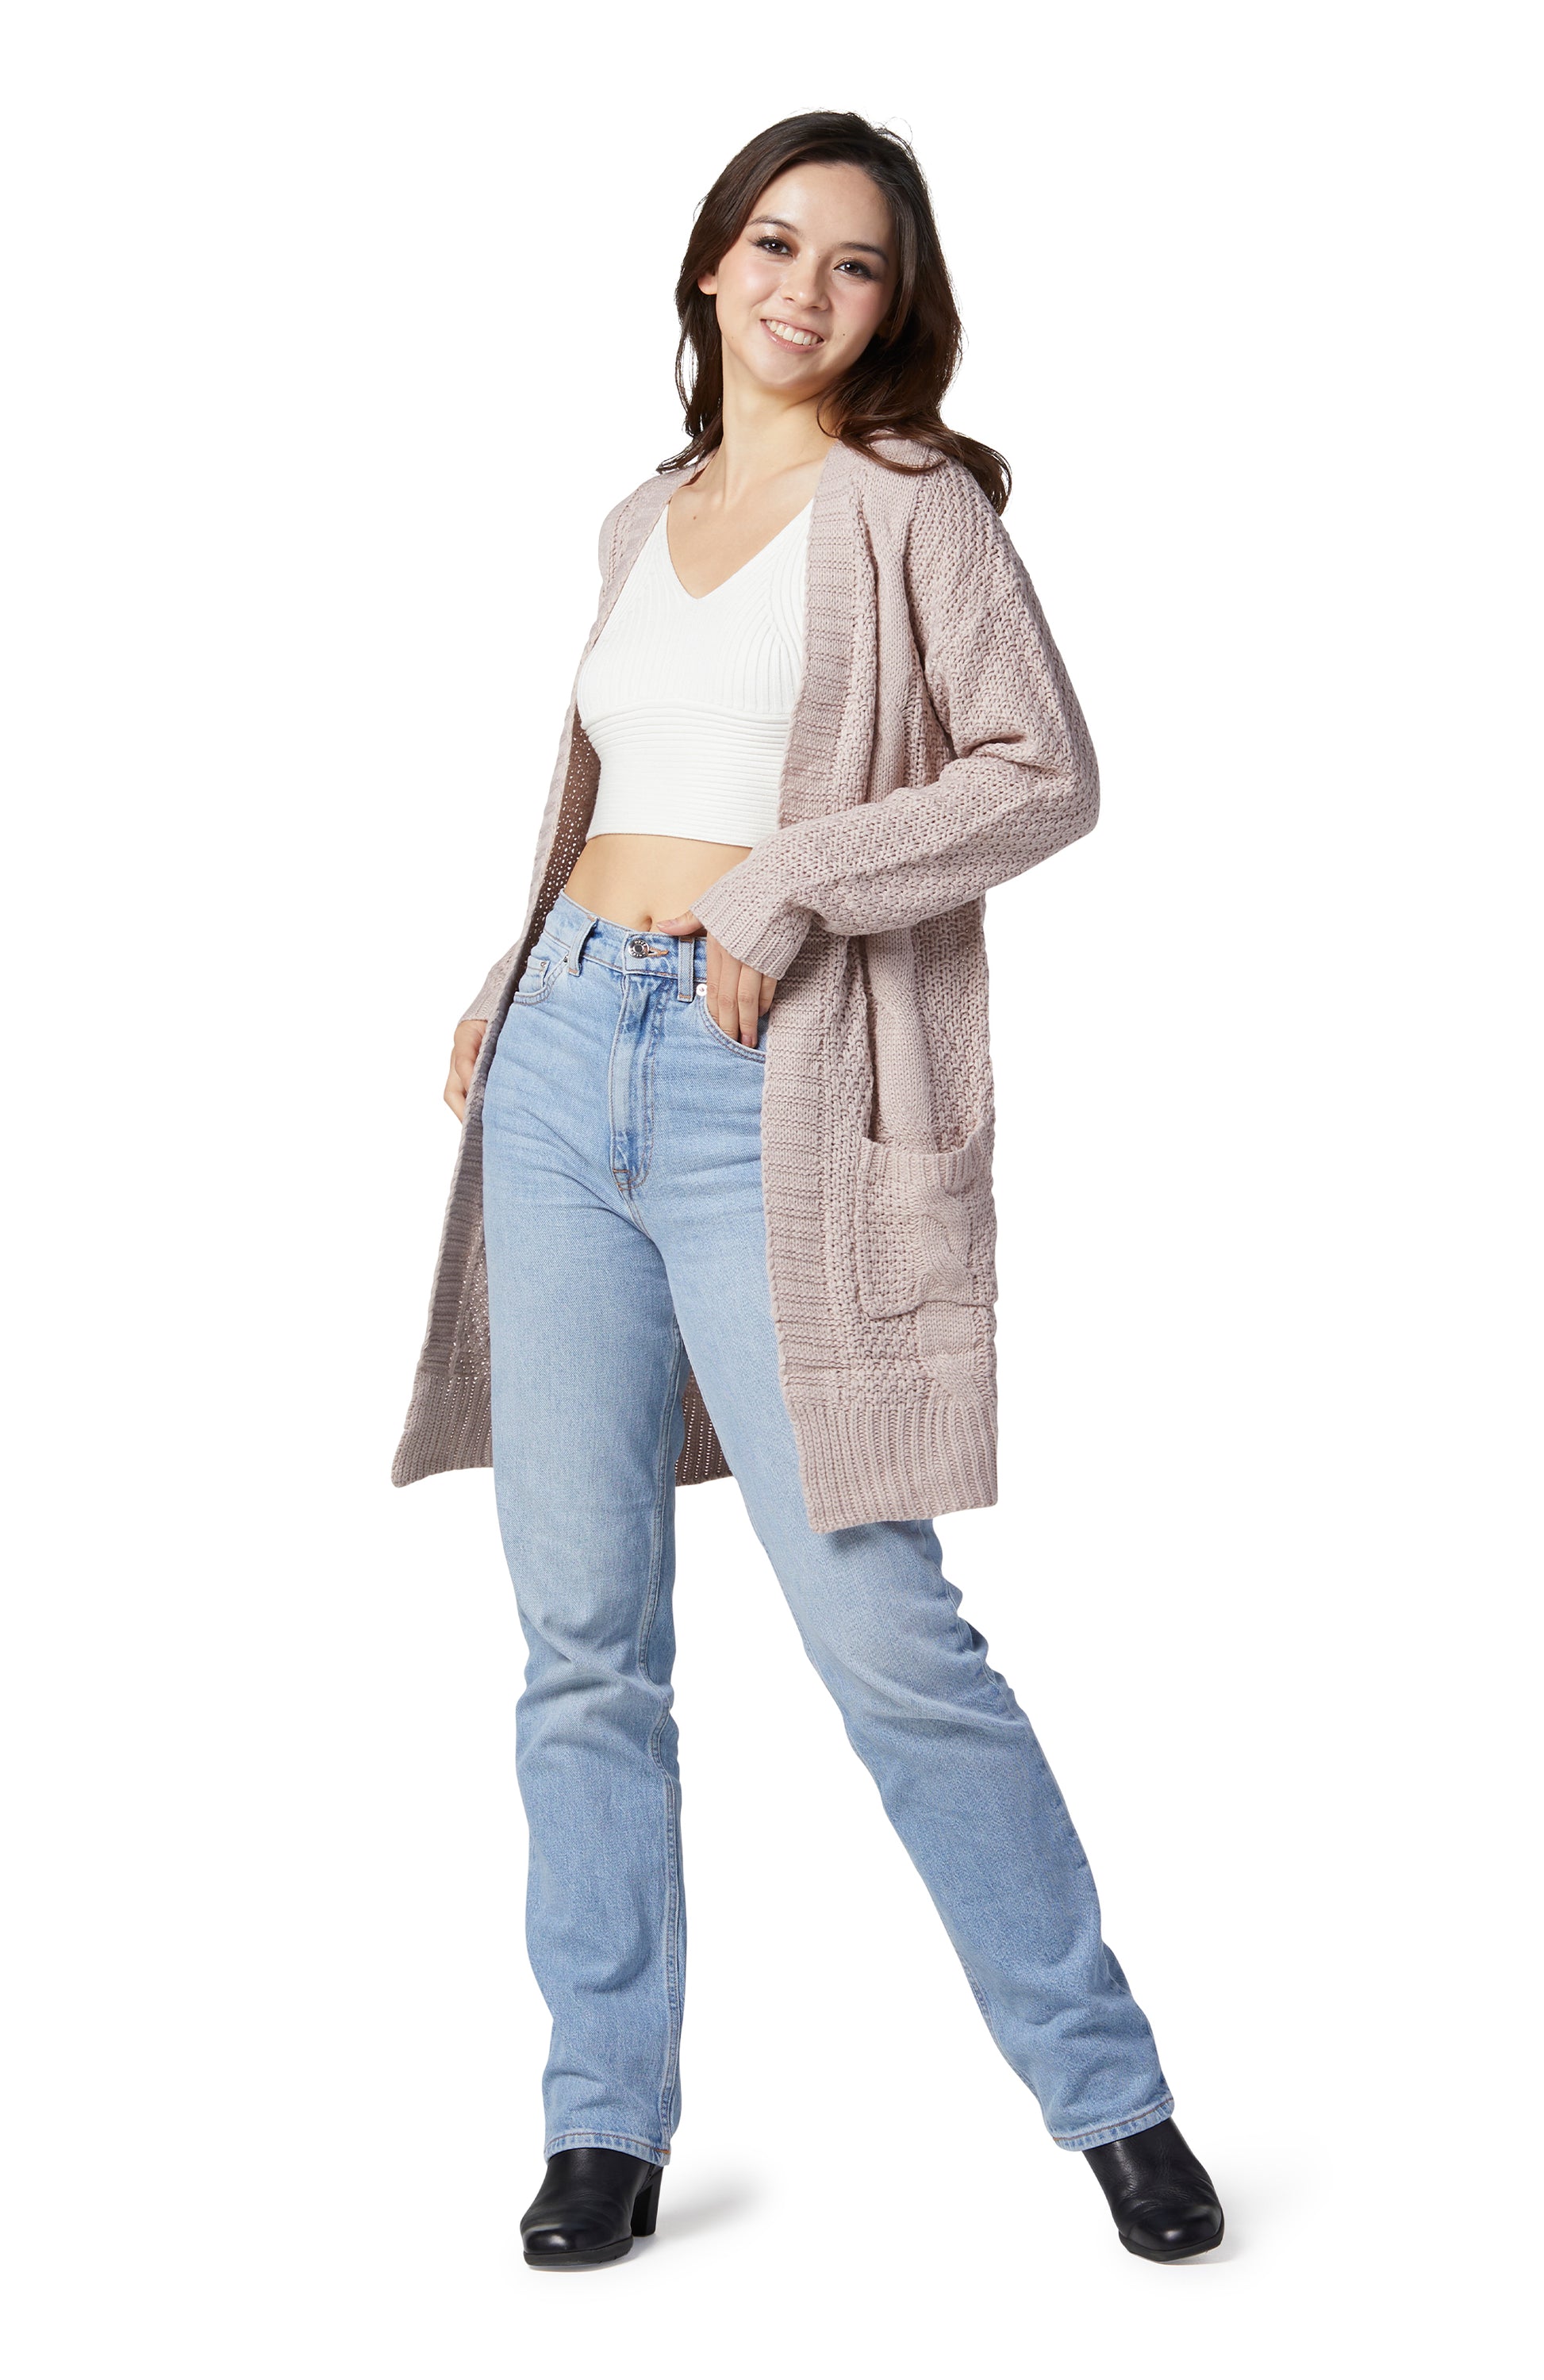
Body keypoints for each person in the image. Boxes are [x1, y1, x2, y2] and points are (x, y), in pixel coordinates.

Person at [395, 110, 1225, 2270]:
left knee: (883, 1629)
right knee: (581, 1640)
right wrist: (511, 971)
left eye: (852, 265)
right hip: (562, 1058)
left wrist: (784, 886)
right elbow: (623, 779)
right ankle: (601, 2123)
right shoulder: (639, 513)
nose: (803, 290)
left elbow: (1042, 773)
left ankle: (1109, 2095)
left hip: (771, 1084)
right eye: (773, 245)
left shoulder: (914, 507)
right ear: (709, 266)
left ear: (892, 308)